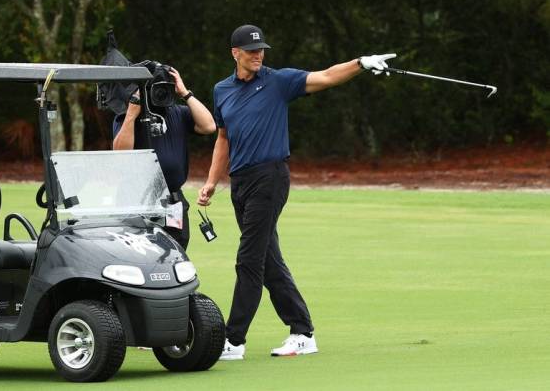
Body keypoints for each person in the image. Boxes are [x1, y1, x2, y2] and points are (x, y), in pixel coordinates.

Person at [197, 24, 395, 360]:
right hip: (240, 183)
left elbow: (327, 77)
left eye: (261, 50)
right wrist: (212, 181)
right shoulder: (222, 90)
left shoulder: (279, 81)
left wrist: (359, 63)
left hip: (270, 178)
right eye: (251, 51)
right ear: (235, 53)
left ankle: (233, 340)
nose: (258, 55)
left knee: (249, 260)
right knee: (268, 261)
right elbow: (223, 138)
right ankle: (302, 332)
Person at [113, 67, 216, 250]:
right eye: (156, 88)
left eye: (165, 88)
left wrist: (185, 93)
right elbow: (121, 152)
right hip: (137, 201)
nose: (160, 93)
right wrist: (131, 114)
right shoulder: (129, 115)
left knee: (175, 254)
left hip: (173, 201)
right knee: (138, 256)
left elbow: (209, 126)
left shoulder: (178, 112)